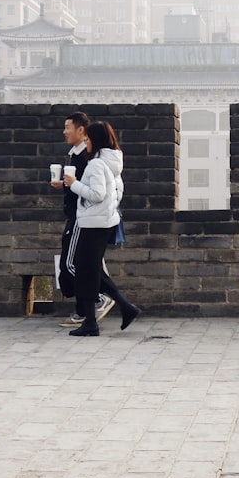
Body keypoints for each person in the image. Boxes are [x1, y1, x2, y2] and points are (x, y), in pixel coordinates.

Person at [63, 121, 141, 336]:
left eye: (87, 139)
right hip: (104, 221)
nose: (85, 143)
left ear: (94, 140)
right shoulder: (113, 161)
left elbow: (97, 194)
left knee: (84, 270)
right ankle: (125, 308)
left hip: (93, 223)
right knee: (92, 269)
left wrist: (74, 184)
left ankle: (91, 323)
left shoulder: (97, 164)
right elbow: (118, 191)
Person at [51, 112, 115, 327]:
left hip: (84, 216)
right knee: (85, 264)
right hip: (80, 215)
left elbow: (96, 192)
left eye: (68, 127)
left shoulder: (89, 159)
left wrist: (74, 185)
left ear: (81, 130)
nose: (64, 131)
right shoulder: (77, 155)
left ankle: (98, 299)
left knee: (72, 264)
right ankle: (83, 311)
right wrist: (66, 184)